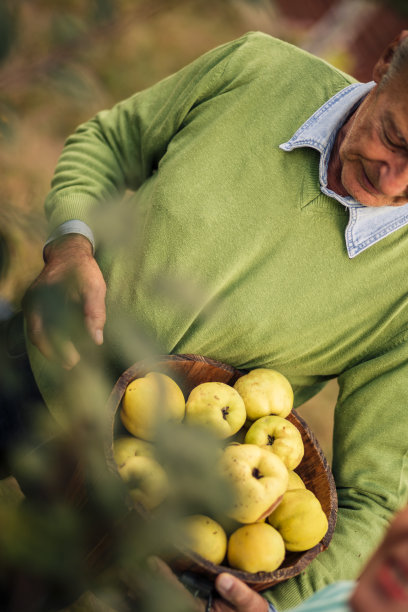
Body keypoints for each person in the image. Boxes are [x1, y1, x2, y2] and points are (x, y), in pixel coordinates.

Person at [22, 28, 408, 611]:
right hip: (31, 363)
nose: (393, 181)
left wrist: (272, 605)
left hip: (137, 501)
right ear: (384, 63)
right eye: (394, 136)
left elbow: (374, 496)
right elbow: (111, 142)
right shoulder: (257, 68)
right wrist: (71, 243)